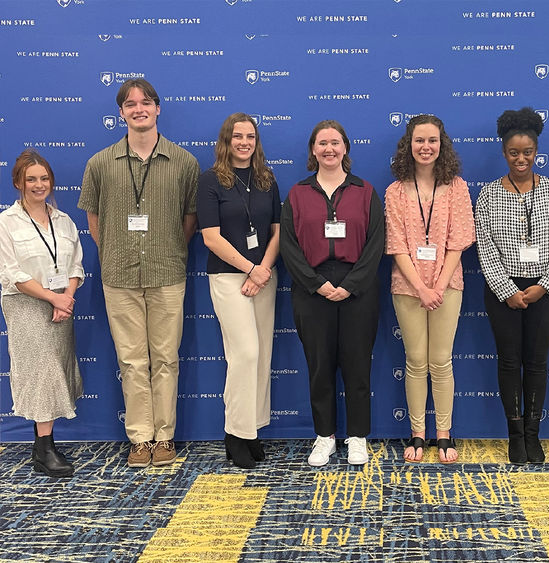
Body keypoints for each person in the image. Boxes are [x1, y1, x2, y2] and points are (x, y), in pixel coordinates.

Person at [78, 78, 199, 467]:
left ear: (158, 108)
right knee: (131, 361)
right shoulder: (99, 163)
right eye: (130, 104)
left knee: (166, 359)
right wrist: (117, 249)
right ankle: (140, 439)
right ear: (121, 113)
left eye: (145, 102)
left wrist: (165, 250)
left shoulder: (184, 163)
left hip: (167, 272)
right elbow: (94, 221)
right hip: (120, 276)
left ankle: (164, 437)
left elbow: (189, 221)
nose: (138, 109)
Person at [280, 120, 384, 467]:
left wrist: (350, 286)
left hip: (358, 290)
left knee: (357, 366)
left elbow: (375, 245)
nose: (329, 149)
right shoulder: (297, 194)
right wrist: (317, 284)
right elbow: (290, 247)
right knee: (319, 366)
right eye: (322, 143)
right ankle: (324, 436)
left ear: (345, 149)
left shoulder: (365, 191)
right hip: (312, 290)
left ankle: (357, 437)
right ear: (313, 150)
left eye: (335, 142)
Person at [475, 107, 549, 465]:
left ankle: (534, 435)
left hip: (544, 291)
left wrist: (544, 286)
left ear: (536, 152)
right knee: (509, 361)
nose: (521, 158)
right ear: (504, 153)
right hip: (504, 292)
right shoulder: (488, 196)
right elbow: (484, 246)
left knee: (536, 363)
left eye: (527, 152)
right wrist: (508, 290)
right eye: (514, 152)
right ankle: (515, 435)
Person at [384, 115, 475, 464]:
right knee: (416, 361)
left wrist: (437, 285)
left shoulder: (457, 187)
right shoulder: (394, 191)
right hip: (407, 288)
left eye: (432, 140)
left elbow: (459, 240)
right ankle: (417, 434)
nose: (426, 147)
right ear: (409, 145)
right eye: (419, 140)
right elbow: (396, 244)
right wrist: (421, 287)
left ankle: (444, 434)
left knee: (440, 361)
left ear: (442, 144)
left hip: (447, 284)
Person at [197, 113, 280, 469]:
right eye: (237, 136)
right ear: (226, 141)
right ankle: (235, 433)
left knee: (261, 354)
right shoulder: (210, 180)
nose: (244, 142)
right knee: (244, 353)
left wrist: (262, 271)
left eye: (250, 137)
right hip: (229, 278)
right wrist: (250, 269)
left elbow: (277, 232)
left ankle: (253, 430)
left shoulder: (266, 179)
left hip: (265, 276)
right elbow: (210, 237)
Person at [0, 150, 84, 477]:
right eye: (31, 179)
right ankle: (44, 449)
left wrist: (66, 298)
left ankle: (43, 443)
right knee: (42, 368)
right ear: (18, 182)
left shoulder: (63, 221)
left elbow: (76, 265)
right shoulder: (6, 222)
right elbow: (10, 273)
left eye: (44, 178)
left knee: (57, 367)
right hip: (26, 303)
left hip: (62, 303)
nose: (39, 185)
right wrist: (53, 298)